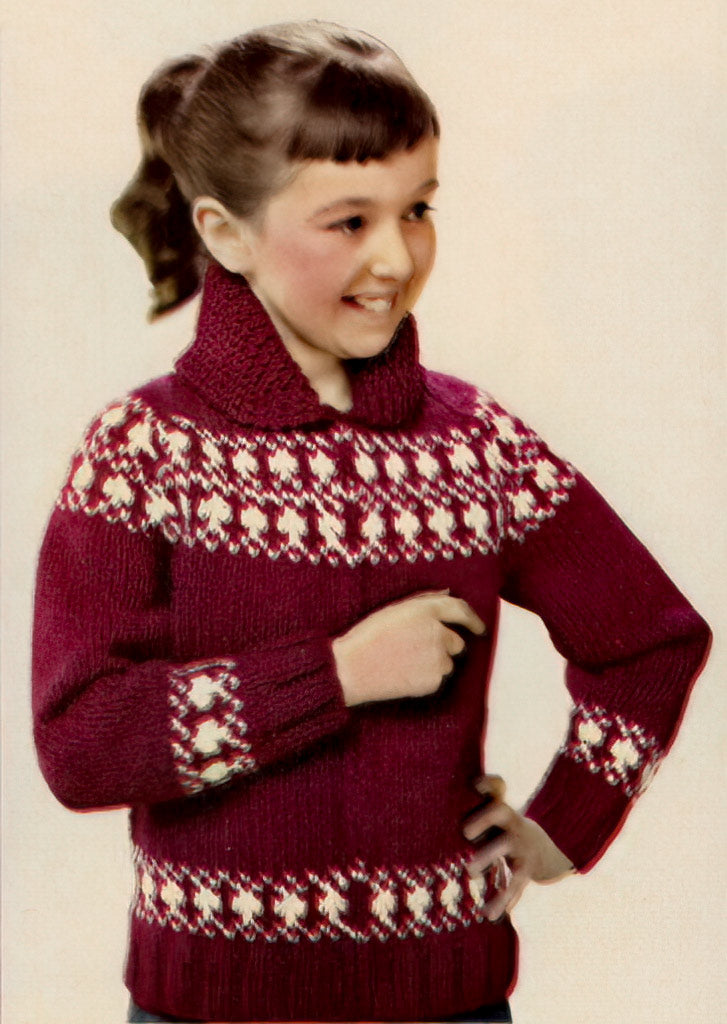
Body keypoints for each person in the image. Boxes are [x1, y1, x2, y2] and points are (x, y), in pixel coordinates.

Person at [31, 19, 710, 1024]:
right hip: (205, 1012)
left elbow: (651, 640)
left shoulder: (475, 444)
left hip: (448, 1003)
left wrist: (563, 826)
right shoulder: (143, 452)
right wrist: (335, 675)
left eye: (418, 209)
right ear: (224, 232)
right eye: (349, 221)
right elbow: (81, 743)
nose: (396, 255)